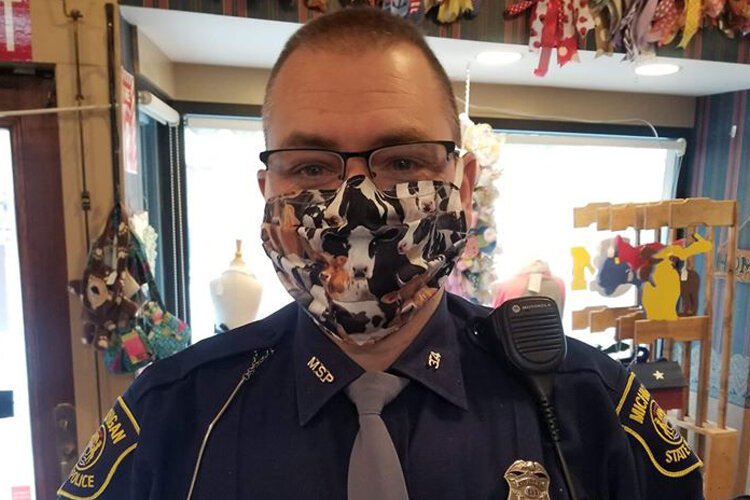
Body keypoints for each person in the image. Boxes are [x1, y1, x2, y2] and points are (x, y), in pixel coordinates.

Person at [58, 7, 703, 500]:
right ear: (268, 192)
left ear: (464, 187)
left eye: (402, 161)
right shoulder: (172, 417)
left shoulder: (588, 407)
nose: (356, 205)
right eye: (311, 168)